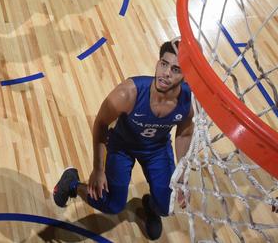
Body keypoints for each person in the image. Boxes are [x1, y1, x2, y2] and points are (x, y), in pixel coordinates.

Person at [53, 39, 194, 241]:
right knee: (112, 204)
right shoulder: (128, 93)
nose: (165, 73)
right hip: (122, 147)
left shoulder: (188, 103)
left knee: (167, 205)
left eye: (175, 69)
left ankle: (151, 208)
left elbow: (185, 133)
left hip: (156, 149)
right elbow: (101, 124)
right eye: (163, 64)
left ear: (186, 75)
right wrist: (98, 169)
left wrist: (182, 175)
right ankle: (72, 184)